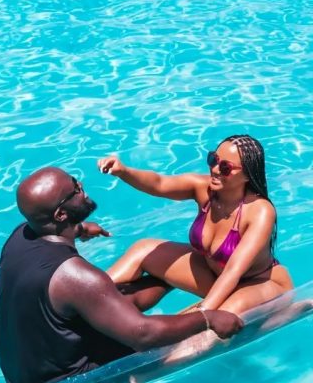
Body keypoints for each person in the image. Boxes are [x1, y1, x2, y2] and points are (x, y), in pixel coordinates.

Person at [0, 166, 243, 383]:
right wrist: (207, 319)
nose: (82, 186)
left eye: (75, 180)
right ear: (60, 215)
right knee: (204, 336)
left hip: (23, 370)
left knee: (115, 298)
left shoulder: (21, 235)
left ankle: (173, 282)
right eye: (75, 189)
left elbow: (53, 234)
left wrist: (80, 228)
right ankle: (141, 375)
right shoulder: (74, 276)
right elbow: (144, 335)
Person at [98, 134, 294, 316]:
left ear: (247, 175)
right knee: (143, 249)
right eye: (213, 159)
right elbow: (160, 183)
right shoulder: (203, 188)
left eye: (225, 167)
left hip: (257, 284)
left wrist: (201, 314)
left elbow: (233, 271)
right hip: (213, 276)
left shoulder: (260, 211)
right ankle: (91, 294)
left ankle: (285, 312)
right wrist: (123, 171)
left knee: (206, 324)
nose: (215, 170)